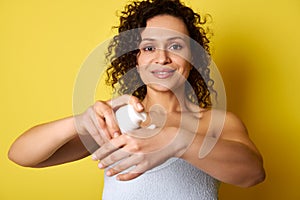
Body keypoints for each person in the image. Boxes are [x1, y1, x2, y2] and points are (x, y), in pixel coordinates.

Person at [8, 0, 265, 199]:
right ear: (136, 59)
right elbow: (21, 155)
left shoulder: (217, 122)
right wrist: (80, 121)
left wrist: (173, 141)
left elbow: (253, 173)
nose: (162, 58)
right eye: (149, 48)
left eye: (176, 46)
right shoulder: (118, 120)